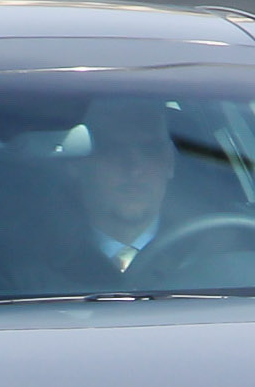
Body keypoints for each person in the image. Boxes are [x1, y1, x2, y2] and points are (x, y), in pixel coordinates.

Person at [69, 101, 177, 279]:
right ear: (78, 163)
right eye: (112, 150)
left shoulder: (215, 257)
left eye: (149, 150)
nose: (134, 169)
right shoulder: (31, 266)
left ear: (169, 162)